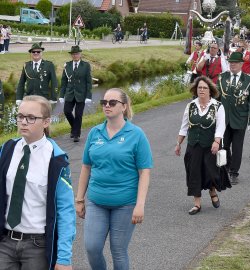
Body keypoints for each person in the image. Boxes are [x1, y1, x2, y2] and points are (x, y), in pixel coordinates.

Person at [75, 88, 153, 270]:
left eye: (112, 103)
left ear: (124, 107)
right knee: (92, 248)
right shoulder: (95, 133)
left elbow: (145, 172)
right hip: (97, 201)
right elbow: (86, 166)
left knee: (118, 250)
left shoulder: (136, 134)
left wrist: (140, 205)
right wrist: (79, 199)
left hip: (125, 204)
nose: (106, 106)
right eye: (104, 102)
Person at [0, 95, 75, 270]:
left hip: (37, 246)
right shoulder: (7, 150)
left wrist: (64, 258)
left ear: (46, 122)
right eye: (20, 116)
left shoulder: (56, 159)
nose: (23, 122)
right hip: (5, 241)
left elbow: (65, 209)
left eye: (31, 118)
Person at [175, 76, 231, 215]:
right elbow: (184, 127)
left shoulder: (218, 106)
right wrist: (178, 144)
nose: (201, 90)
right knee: (194, 173)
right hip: (193, 145)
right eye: (199, 87)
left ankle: (212, 190)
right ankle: (197, 204)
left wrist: (217, 141)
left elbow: (220, 127)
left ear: (210, 91)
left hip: (210, 145)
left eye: (204, 88)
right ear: (196, 89)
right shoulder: (190, 106)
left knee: (211, 173)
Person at [217, 52, 250, 184]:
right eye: (231, 62)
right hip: (224, 119)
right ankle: (225, 168)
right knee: (223, 147)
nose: (232, 64)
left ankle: (234, 172)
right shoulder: (222, 77)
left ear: (241, 64)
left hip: (240, 119)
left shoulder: (249, 80)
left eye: (235, 62)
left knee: (237, 147)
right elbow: (216, 99)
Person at [59, 45, 92, 142]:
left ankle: (76, 134)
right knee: (67, 111)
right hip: (70, 93)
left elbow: (88, 82)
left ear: (80, 54)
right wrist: (61, 95)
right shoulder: (67, 65)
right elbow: (64, 81)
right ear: (71, 55)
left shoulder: (86, 65)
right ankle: (75, 128)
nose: (75, 56)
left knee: (78, 114)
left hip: (81, 94)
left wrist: (88, 96)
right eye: (73, 54)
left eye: (77, 54)